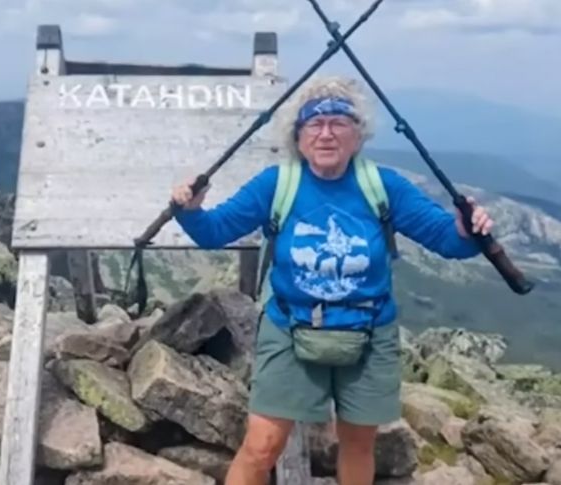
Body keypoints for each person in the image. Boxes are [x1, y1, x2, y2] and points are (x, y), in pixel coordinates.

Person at [169, 76, 495, 485]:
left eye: (338, 123)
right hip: (290, 327)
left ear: (358, 135)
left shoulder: (383, 187)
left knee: (357, 445)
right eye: (314, 124)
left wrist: (468, 231)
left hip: (369, 330)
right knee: (262, 446)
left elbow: (448, 241)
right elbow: (214, 231)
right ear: (298, 137)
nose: (326, 133)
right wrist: (192, 210)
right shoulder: (278, 184)